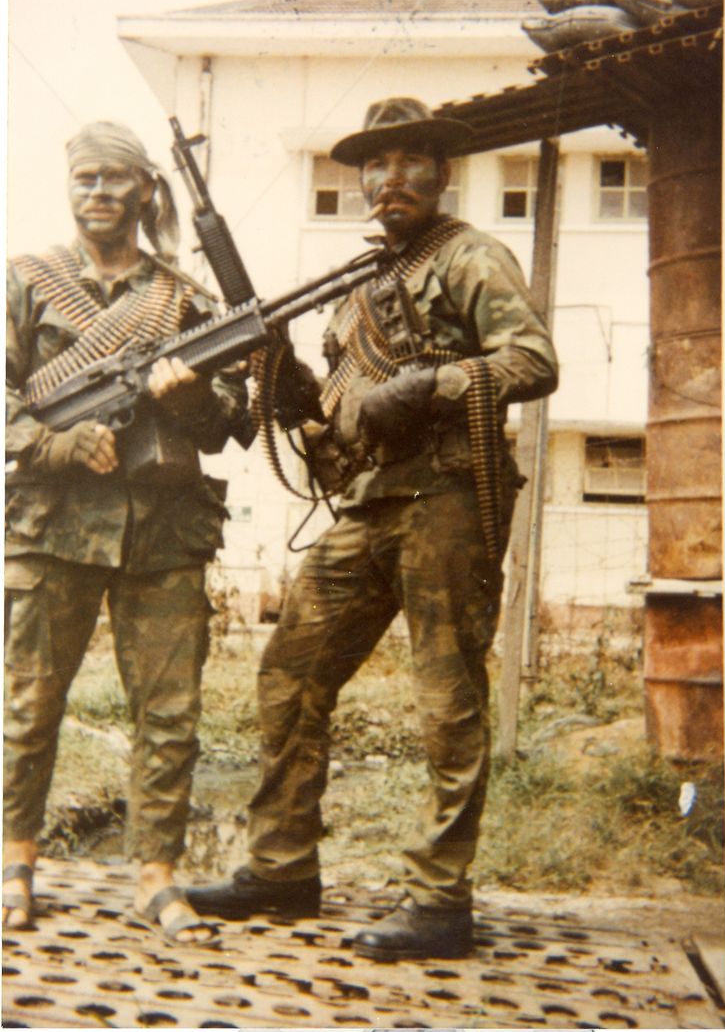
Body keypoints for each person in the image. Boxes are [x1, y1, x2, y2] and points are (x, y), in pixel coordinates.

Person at [187, 97, 559, 961]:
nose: (392, 179)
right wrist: (285, 384)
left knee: (447, 699)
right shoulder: (360, 282)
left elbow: (534, 360)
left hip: (449, 501)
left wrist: (432, 384)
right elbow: (335, 407)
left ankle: (439, 901)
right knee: (290, 669)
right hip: (369, 501)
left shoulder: (469, 256)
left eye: (411, 162)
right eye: (376, 166)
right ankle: (282, 867)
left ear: (442, 171)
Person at [3, 121, 253, 943]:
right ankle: (14, 863)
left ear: (148, 190)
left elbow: (231, 422)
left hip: (164, 532)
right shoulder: (27, 284)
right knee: (30, 706)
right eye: (86, 179)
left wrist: (189, 403)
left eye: (117, 178)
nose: (100, 193)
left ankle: (158, 878)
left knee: (169, 710)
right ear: (68, 188)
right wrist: (57, 441)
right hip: (52, 529)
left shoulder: (182, 296)